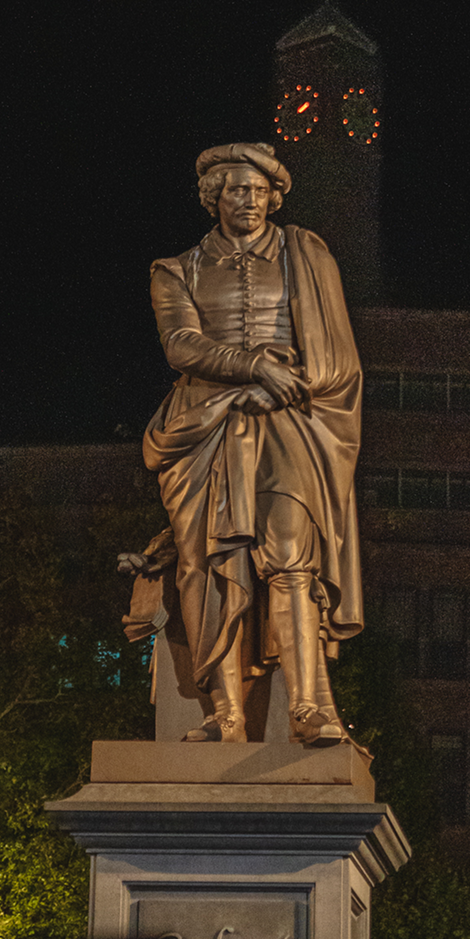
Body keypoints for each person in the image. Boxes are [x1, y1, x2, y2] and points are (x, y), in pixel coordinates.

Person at [141, 142, 363, 745]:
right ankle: (224, 714)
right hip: (204, 427)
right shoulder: (176, 269)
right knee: (207, 567)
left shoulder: (304, 255)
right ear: (214, 196)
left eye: (261, 190)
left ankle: (311, 709)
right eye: (237, 189)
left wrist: (289, 384)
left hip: (289, 422)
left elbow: (338, 352)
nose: (251, 200)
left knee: (292, 553)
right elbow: (181, 346)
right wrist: (254, 368)